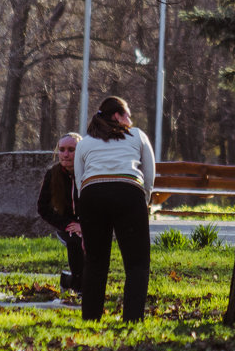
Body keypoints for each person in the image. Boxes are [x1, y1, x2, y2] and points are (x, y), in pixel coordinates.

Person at [73, 96, 155, 323]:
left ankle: (91, 317)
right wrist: (144, 200)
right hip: (128, 192)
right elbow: (149, 174)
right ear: (117, 116)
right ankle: (132, 318)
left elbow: (80, 181)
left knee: (95, 261)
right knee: (137, 263)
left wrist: (85, 213)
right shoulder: (137, 135)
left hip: (92, 195)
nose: (130, 119)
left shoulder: (85, 142)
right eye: (127, 114)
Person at [37, 132, 83, 296]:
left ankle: (71, 281)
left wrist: (84, 225)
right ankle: (78, 288)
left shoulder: (89, 172)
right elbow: (43, 208)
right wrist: (67, 224)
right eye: (62, 149)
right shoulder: (53, 173)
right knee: (75, 241)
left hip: (90, 223)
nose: (66, 154)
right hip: (67, 224)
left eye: (71, 149)